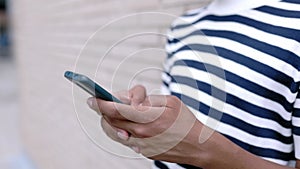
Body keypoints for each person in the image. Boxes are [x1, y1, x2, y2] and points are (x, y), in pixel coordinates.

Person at [87, 0, 300, 168]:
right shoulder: (183, 27)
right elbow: (179, 121)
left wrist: (205, 151)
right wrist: (140, 115)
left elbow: (192, 139)